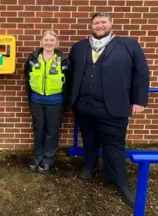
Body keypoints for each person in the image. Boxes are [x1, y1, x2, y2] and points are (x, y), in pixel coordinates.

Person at [68, 12, 149, 208]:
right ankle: (90, 164)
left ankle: (119, 180)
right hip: (84, 106)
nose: (100, 25)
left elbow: (141, 73)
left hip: (113, 107)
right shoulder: (78, 47)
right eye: (96, 22)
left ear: (111, 24)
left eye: (104, 22)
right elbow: (70, 74)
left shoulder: (129, 45)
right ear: (91, 25)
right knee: (89, 138)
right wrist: (70, 100)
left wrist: (139, 100)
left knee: (114, 145)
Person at [24, 30, 69, 173]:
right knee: (38, 130)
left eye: (52, 40)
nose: (49, 42)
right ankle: (37, 157)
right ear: (41, 42)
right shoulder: (33, 57)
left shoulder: (63, 59)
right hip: (36, 100)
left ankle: (48, 159)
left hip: (56, 102)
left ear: (56, 42)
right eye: (46, 40)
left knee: (52, 131)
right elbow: (26, 76)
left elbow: (69, 81)